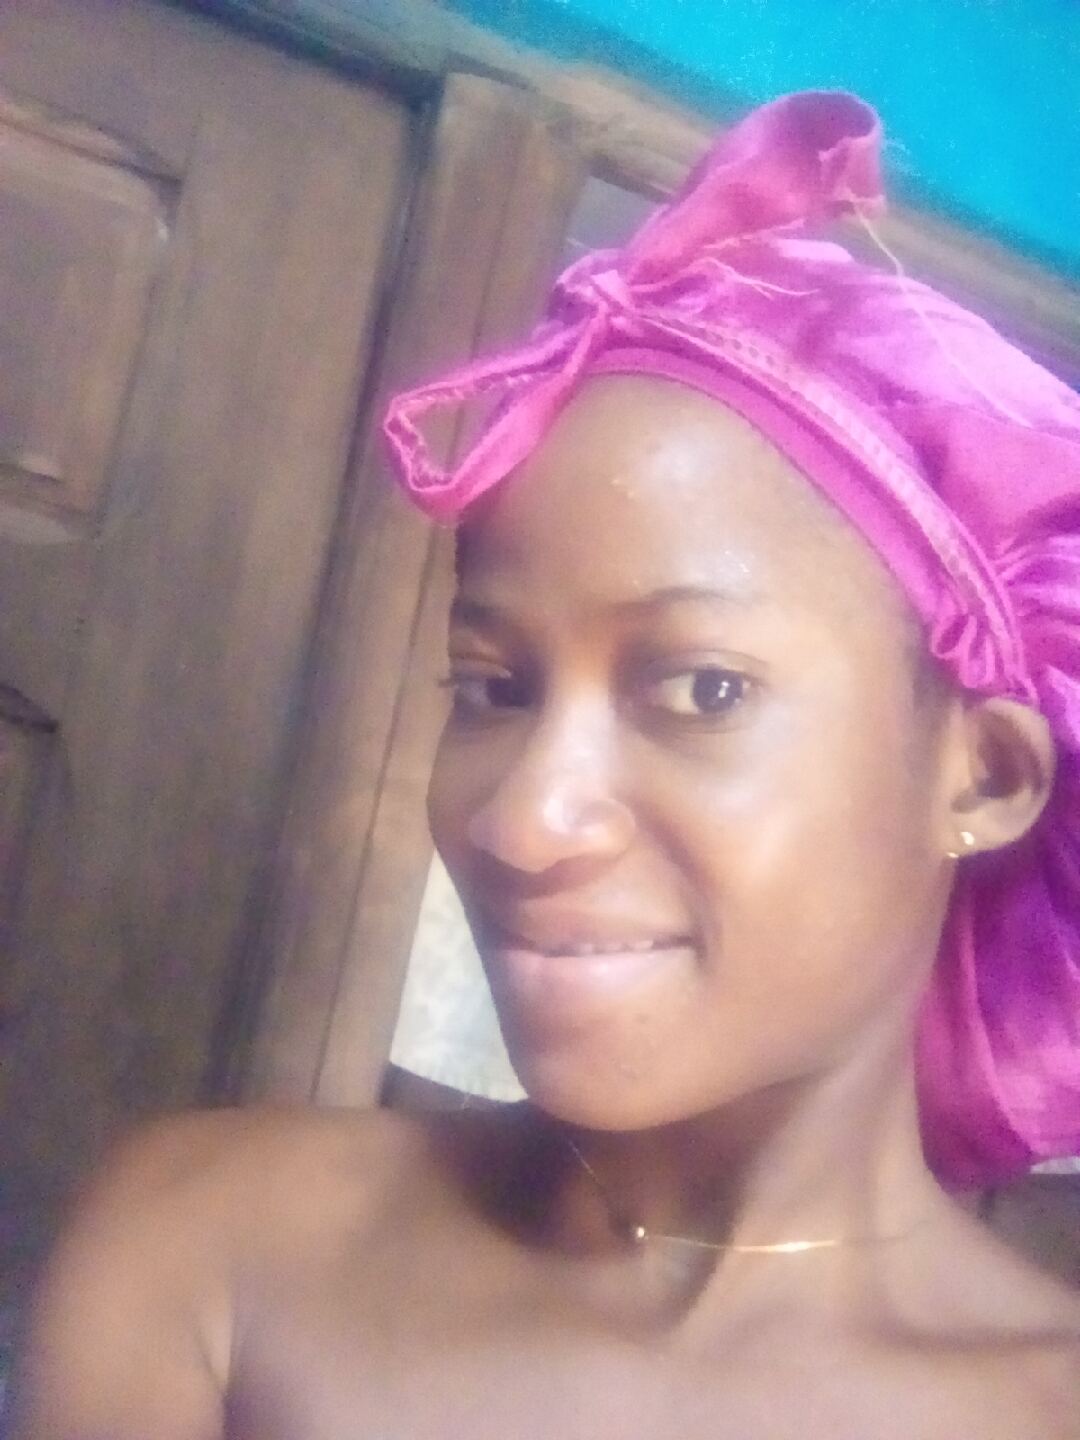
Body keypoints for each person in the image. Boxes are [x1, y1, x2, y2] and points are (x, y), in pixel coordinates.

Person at [9, 91, 1080, 1439]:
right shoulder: (209, 1247)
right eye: (492, 688)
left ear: (983, 777)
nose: (521, 821)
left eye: (701, 689)